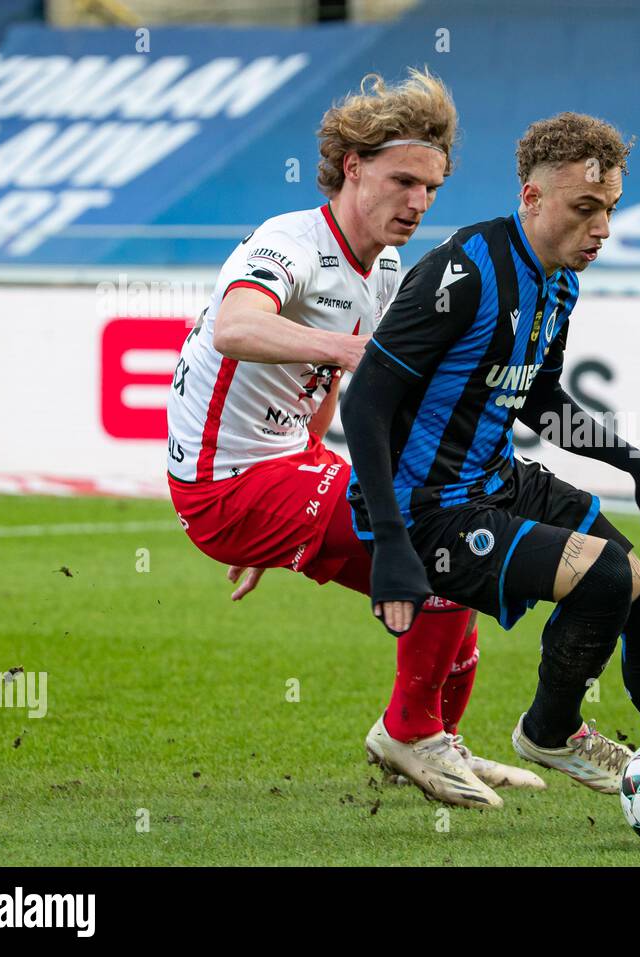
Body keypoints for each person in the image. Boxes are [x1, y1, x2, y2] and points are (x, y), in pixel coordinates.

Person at [342, 112, 640, 831]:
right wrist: (395, 544)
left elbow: (541, 399)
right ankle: (551, 731)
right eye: (584, 208)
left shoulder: (556, 284)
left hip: (495, 480)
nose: (602, 229)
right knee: (606, 576)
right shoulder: (464, 272)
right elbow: (365, 398)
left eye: (610, 210)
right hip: (428, 507)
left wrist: (634, 461)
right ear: (531, 198)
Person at [165, 69, 540, 811]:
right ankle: (409, 731)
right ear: (353, 167)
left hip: (279, 471)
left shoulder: (388, 267)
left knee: (450, 536)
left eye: (431, 188)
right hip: (226, 482)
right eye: (404, 181)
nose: (419, 203)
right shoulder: (291, 241)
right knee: (438, 543)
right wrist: (348, 353)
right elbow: (236, 327)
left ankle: (439, 736)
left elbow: (332, 386)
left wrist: (298, 487)